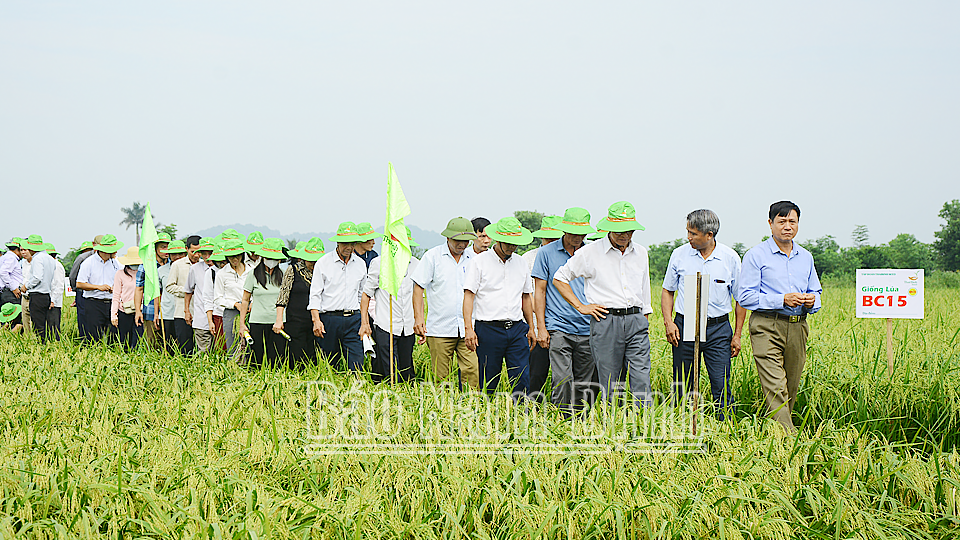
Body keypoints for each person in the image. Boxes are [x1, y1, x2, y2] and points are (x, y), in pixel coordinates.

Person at [554, 201, 653, 407]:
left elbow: (644, 287)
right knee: (611, 380)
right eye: (619, 231)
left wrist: (644, 316)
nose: (624, 235)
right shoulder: (590, 252)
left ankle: (643, 425)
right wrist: (581, 306)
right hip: (606, 320)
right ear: (609, 228)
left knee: (641, 377)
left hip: (636, 320)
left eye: (629, 231)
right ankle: (615, 427)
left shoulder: (641, 252)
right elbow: (560, 278)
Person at [737, 201, 822, 433]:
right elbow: (745, 296)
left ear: (798, 224)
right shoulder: (756, 255)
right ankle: (789, 438)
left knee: (790, 386)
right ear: (770, 224)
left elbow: (816, 291)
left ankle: (774, 433)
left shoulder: (805, 257)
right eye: (781, 221)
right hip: (766, 325)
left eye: (792, 222)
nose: (787, 227)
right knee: (775, 385)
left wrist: (812, 301)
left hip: (797, 326)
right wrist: (781, 299)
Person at [662, 209, 746, 420]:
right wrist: (669, 323)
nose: (689, 237)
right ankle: (682, 424)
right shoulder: (679, 255)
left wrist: (737, 335)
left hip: (718, 328)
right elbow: (667, 290)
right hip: (685, 325)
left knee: (721, 381)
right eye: (688, 232)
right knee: (683, 382)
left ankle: (725, 429)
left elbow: (740, 300)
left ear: (709, 235)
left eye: (693, 233)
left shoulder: (730, 258)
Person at [532, 208, 599, 416]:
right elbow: (540, 291)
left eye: (581, 234)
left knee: (584, 380)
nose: (578, 238)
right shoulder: (546, 253)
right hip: (558, 326)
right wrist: (541, 328)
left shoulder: (592, 254)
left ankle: (580, 420)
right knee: (562, 378)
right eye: (573, 233)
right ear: (564, 231)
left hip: (587, 327)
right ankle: (561, 419)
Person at [464, 217, 537, 396]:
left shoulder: (520, 263)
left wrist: (531, 327)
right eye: (509, 243)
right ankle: (486, 415)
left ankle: (521, 414)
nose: (512, 247)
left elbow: (526, 296)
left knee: (521, 376)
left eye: (515, 243)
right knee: (488, 378)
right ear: (498, 240)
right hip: (488, 329)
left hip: (517, 328)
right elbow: (468, 296)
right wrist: (468, 329)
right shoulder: (479, 262)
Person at [411, 217, 481, 389]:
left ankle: (471, 407)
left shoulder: (474, 259)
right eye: (458, 240)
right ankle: (444, 409)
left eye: (466, 241)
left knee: (472, 370)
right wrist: (419, 319)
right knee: (441, 376)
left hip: (467, 328)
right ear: (448, 238)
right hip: (440, 327)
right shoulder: (433, 257)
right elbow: (418, 287)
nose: (462, 245)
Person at [360, 226, 420, 383]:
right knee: (389, 368)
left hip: (407, 325)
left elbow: (418, 296)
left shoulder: (415, 264)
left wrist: (420, 321)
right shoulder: (379, 263)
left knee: (406, 366)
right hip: (386, 324)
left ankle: (407, 397)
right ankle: (389, 395)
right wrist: (365, 323)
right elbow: (366, 295)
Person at [308, 222, 367, 373]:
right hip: (329, 319)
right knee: (329, 363)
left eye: (352, 243)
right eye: (345, 243)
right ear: (338, 242)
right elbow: (315, 295)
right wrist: (316, 321)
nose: (349, 247)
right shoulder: (323, 263)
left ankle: (355, 391)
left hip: (353, 319)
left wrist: (364, 321)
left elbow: (362, 295)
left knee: (356, 363)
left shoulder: (360, 264)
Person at [524, 215, 563, 401]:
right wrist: (539, 324)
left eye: (556, 238)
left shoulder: (569, 257)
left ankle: (560, 407)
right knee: (536, 371)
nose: (551, 242)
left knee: (563, 372)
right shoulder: (528, 258)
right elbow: (527, 293)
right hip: (535, 324)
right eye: (548, 239)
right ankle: (531, 407)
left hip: (562, 323)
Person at [275, 237, 324, 368]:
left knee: (314, 356)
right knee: (297, 356)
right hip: (296, 321)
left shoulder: (322, 272)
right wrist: (279, 320)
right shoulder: (293, 270)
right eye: (311, 260)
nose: (313, 263)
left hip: (317, 322)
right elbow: (282, 297)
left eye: (316, 261)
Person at [239, 238, 288, 367]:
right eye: (269, 257)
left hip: (278, 323)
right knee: (257, 359)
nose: (271, 261)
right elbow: (245, 299)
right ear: (263, 257)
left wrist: (280, 320)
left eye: (275, 258)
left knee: (277, 359)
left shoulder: (284, 275)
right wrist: (242, 323)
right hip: (257, 321)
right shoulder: (253, 274)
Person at [76, 234, 124, 343]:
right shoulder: (88, 263)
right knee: (93, 335)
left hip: (112, 303)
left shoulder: (117, 263)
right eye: (113, 250)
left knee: (114, 335)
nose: (116, 252)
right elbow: (79, 284)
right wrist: (98, 287)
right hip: (93, 304)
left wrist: (114, 288)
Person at [134, 233, 170, 350]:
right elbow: (139, 289)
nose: (166, 250)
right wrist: (138, 311)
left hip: (169, 310)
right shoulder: (146, 265)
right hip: (150, 309)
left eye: (168, 247)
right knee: (153, 342)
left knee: (170, 343)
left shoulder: (172, 264)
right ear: (155, 248)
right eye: (163, 247)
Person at [165, 235, 200, 354]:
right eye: (193, 252)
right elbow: (169, 286)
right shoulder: (177, 265)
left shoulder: (205, 265)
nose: (196, 255)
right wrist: (186, 291)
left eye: (199, 252)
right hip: (182, 312)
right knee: (185, 347)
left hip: (201, 313)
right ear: (186, 249)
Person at [214, 238, 249, 352]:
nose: (235, 259)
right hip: (231, 312)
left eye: (237, 255)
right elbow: (218, 299)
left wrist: (252, 303)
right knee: (233, 345)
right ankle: (234, 367)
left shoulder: (251, 271)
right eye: (231, 256)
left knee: (249, 345)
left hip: (250, 311)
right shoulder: (222, 274)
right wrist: (234, 304)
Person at [22, 235, 56, 342]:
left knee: (38, 325)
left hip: (37, 295)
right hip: (46, 295)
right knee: (45, 323)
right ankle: (47, 344)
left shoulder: (37, 259)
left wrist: (26, 286)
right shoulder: (50, 259)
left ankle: (41, 346)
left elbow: (37, 277)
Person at [185, 237, 216, 353]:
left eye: (210, 253)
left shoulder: (222, 269)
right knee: (203, 351)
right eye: (204, 254)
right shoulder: (194, 269)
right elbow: (188, 290)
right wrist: (187, 311)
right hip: (201, 317)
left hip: (218, 316)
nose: (208, 257)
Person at [110, 247, 143, 350]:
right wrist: (114, 315)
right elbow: (116, 295)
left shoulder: (144, 273)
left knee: (138, 340)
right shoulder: (120, 274)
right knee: (124, 341)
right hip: (124, 310)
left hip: (140, 311)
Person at [158, 240, 186, 352]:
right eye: (174, 254)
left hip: (184, 312)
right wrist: (157, 314)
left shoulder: (190, 268)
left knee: (184, 344)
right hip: (167, 312)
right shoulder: (161, 271)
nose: (177, 257)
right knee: (168, 345)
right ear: (169, 255)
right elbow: (158, 293)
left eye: (180, 254)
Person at [68, 238, 97, 339]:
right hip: (83, 290)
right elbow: (72, 276)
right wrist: (76, 290)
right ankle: (84, 338)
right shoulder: (82, 258)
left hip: (97, 292)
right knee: (83, 316)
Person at [203, 247, 228, 351]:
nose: (221, 265)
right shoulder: (211, 272)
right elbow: (208, 298)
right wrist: (210, 321)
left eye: (224, 262)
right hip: (219, 315)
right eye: (218, 263)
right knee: (221, 347)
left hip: (236, 313)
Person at [0, 238, 24, 328]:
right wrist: (13, 288)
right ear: (17, 250)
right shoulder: (11, 258)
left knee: (7, 318)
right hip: (11, 293)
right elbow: (3, 272)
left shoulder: (4, 257)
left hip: (5, 292)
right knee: (15, 319)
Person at [45, 243, 65, 340]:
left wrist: (53, 300)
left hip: (54, 303)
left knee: (53, 328)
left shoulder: (57, 266)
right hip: (48, 300)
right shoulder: (49, 266)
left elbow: (59, 286)